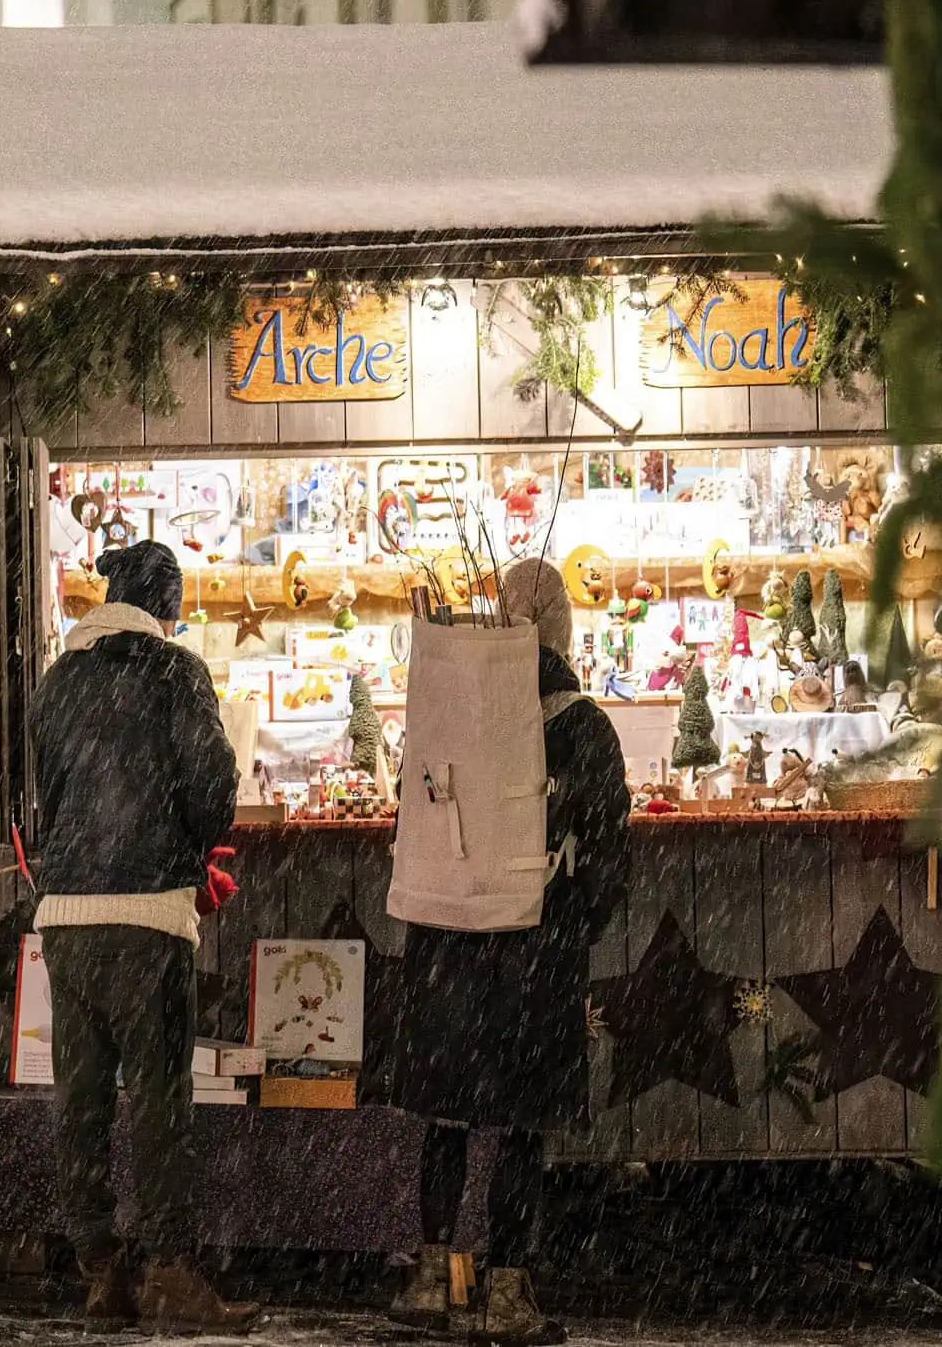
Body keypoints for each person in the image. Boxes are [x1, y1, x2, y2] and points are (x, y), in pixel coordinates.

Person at [391, 559, 630, 1344]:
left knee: (448, 1116)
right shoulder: (582, 726)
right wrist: (571, 924)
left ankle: (430, 1275)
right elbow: (607, 854)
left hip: (447, 945)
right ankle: (506, 1287)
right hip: (536, 946)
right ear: (561, 628)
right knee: (523, 1123)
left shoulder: (453, 708)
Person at [29, 540, 256, 1333]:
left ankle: (100, 1273)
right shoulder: (176, 673)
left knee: (80, 1102)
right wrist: (189, 846)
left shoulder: (57, 681)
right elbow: (213, 792)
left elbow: (42, 806)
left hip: (67, 919)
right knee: (159, 1099)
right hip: (148, 916)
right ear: (167, 604)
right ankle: (168, 1269)